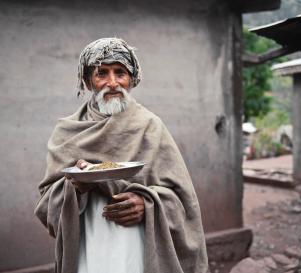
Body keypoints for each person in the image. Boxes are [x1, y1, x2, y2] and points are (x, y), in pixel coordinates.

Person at [34, 38, 209, 273]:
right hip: (87, 247)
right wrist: (75, 188)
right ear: (87, 82)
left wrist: (146, 204)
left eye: (120, 73)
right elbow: (47, 207)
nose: (113, 83)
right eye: (102, 74)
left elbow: (182, 200)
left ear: (132, 79)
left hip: (137, 249)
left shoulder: (150, 126)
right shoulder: (66, 133)